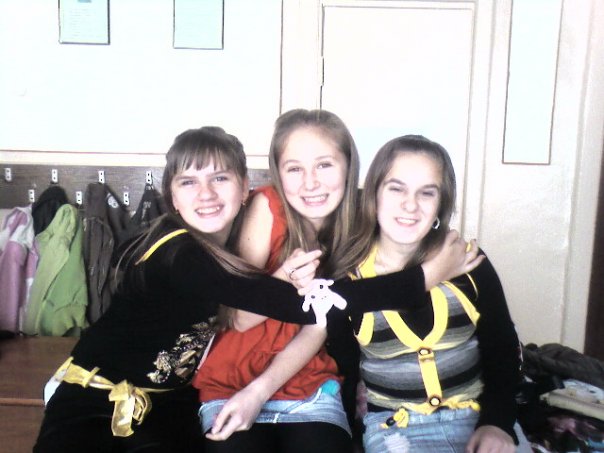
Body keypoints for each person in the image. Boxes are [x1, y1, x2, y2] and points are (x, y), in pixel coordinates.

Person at [193, 110, 483, 452]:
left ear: (349, 167)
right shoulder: (267, 206)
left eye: (325, 165)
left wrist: (437, 261)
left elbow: (322, 322)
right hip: (234, 378)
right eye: (294, 169)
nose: (310, 183)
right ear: (278, 174)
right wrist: (284, 277)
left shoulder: (360, 225)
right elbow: (240, 318)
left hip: (305, 380)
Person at [33, 126, 333, 453]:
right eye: (188, 182)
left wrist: (290, 275)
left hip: (165, 404)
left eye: (220, 178)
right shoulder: (178, 251)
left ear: (245, 187)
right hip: (93, 399)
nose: (206, 194)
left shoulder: (225, 247)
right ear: (173, 198)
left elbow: (246, 309)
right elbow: (268, 300)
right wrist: (322, 287)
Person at [334, 134, 531, 452]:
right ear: (374, 195)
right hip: (395, 429)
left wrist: (497, 423)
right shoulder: (349, 277)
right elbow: (343, 370)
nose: (410, 204)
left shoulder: (469, 264)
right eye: (396, 188)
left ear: (442, 203)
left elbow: (503, 351)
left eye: (427, 193)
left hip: (478, 418)